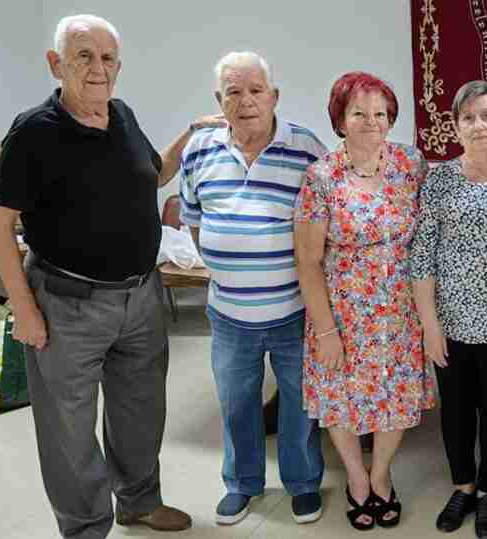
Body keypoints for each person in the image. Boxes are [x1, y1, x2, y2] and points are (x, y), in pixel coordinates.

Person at [0, 14, 191, 538]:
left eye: (107, 58)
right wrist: (25, 311)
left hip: (140, 296)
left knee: (141, 414)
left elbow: (154, 174)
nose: (98, 69)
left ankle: (139, 502)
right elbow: (1, 225)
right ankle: (85, 528)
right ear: (57, 64)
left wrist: (192, 136)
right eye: (83, 56)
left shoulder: (121, 114)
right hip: (66, 303)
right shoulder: (34, 131)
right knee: (69, 432)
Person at [174, 51, 327, 526]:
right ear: (219, 101)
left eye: (255, 90)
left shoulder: (306, 148)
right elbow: (194, 223)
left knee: (301, 404)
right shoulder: (198, 150)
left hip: (293, 310)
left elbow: (327, 220)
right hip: (228, 313)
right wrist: (229, 259)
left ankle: (303, 484)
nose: (245, 102)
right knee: (236, 403)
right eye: (233, 93)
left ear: (274, 96)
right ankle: (241, 484)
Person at [294, 71, 434, 531]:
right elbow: (309, 261)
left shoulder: (411, 165)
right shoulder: (321, 177)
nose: (371, 122)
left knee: (396, 399)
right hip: (343, 313)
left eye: (380, 113)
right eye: (359, 113)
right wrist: (327, 331)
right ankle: (356, 479)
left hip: (398, 313)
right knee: (341, 401)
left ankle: (381, 475)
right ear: (340, 120)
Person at [411, 80, 487, 539]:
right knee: (456, 410)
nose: (478, 125)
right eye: (468, 117)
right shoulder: (438, 179)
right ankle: (463, 486)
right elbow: (423, 255)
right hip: (451, 322)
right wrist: (429, 326)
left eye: (486, 115)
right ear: (455, 127)